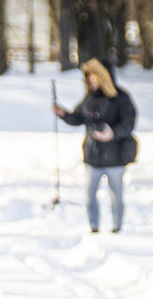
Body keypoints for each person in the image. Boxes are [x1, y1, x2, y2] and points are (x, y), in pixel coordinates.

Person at [53, 57, 137, 233]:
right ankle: (94, 227)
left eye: (93, 76)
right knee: (90, 197)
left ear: (103, 76)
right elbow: (78, 117)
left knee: (116, 197)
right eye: (88, 77)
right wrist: (63, 114)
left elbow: (129, 122)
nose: (90, 80)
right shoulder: (89, 98)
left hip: (116, 158)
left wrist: (112, 134)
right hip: (93, 157)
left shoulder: (121, 98)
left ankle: (117, 228)